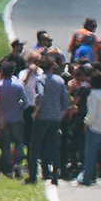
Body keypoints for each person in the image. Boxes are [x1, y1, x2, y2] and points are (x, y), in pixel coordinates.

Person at [26, 56, 67, 185]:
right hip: (55, 117)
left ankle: (32, 176)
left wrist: (36, 111)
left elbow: (40, 95)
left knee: (35, 146)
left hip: (42, 116)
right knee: (54, 147)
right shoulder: (60, 80)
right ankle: (55, 176)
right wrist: (60, 113)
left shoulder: (40, 79)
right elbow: (65, 101)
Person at [0, 61, 27, 178]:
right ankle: (17, 163)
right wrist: (20, 108)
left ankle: (8, 169)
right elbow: (26, 101)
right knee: (19, 142)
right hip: (16, 117)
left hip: (3, 118)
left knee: (5, 144)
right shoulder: (18, 85)